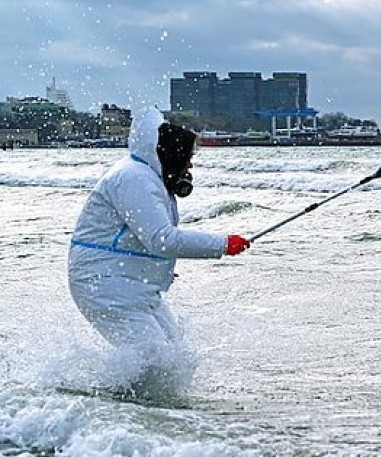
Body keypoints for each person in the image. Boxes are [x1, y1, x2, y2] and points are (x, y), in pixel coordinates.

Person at [67, 107, 251, 394]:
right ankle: (108, 409)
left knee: (175, 355)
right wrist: (223, 244)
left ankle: (148, 407)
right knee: (154, 361)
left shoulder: (148, 177)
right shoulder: (134, 178)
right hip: (104, 287)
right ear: (172, 154)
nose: (190, 165)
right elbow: (161, 239)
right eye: (189, 158)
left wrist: (155, 268)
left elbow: (134, 239)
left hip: (132, 285)